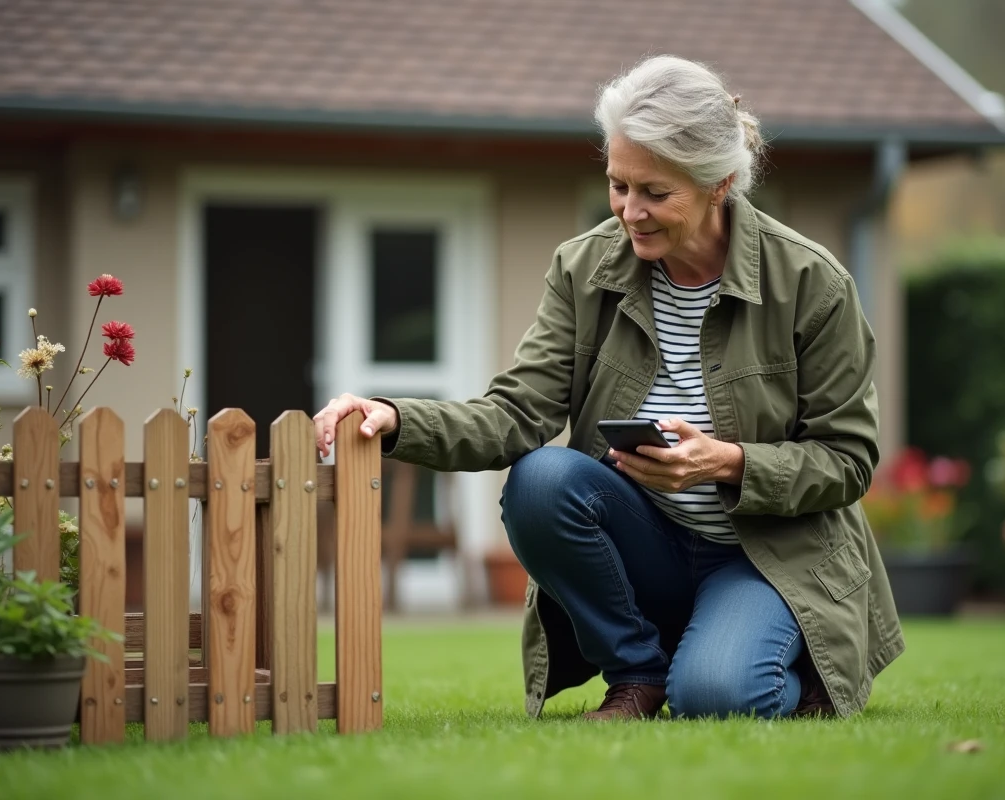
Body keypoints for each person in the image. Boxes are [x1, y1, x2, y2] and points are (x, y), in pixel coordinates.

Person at [314, 55, 904, 722]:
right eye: (618, 185)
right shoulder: (584, 268)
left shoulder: (811, 283)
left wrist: (727, 463)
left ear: (719, 184)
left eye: (655, 192)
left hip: (765, 556)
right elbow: (515, 413)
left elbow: (847, 458)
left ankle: (783, 664)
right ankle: (637, 673)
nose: (630, 211)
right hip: (647, 546)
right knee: (541, 479)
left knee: (717, 697)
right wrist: (394, 418)